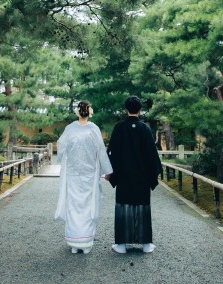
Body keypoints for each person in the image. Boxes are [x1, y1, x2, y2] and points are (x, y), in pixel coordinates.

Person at [54, 100, 113, 254]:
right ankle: (85, 243)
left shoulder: (70, 129)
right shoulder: (93, 129)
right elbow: (101, 151)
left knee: (73, 207)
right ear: (89, 111)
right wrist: (107, 170)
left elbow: (61, 147)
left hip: (73, 174)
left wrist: (67, 157)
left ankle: (74, 243)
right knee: (87, 207)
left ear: (77, 112)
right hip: (89, 175)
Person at [107, 95, 163, 254]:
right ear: (140, 109)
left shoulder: (119, 128)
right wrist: (153, 175)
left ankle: (121, 245)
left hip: (123, 176)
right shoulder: (145, 128)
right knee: (142, 207)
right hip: (142, 178)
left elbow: (112, 152)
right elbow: (152, 155)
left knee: (123, 207)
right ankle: (146, 244)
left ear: (126, 109)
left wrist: (110, 172)